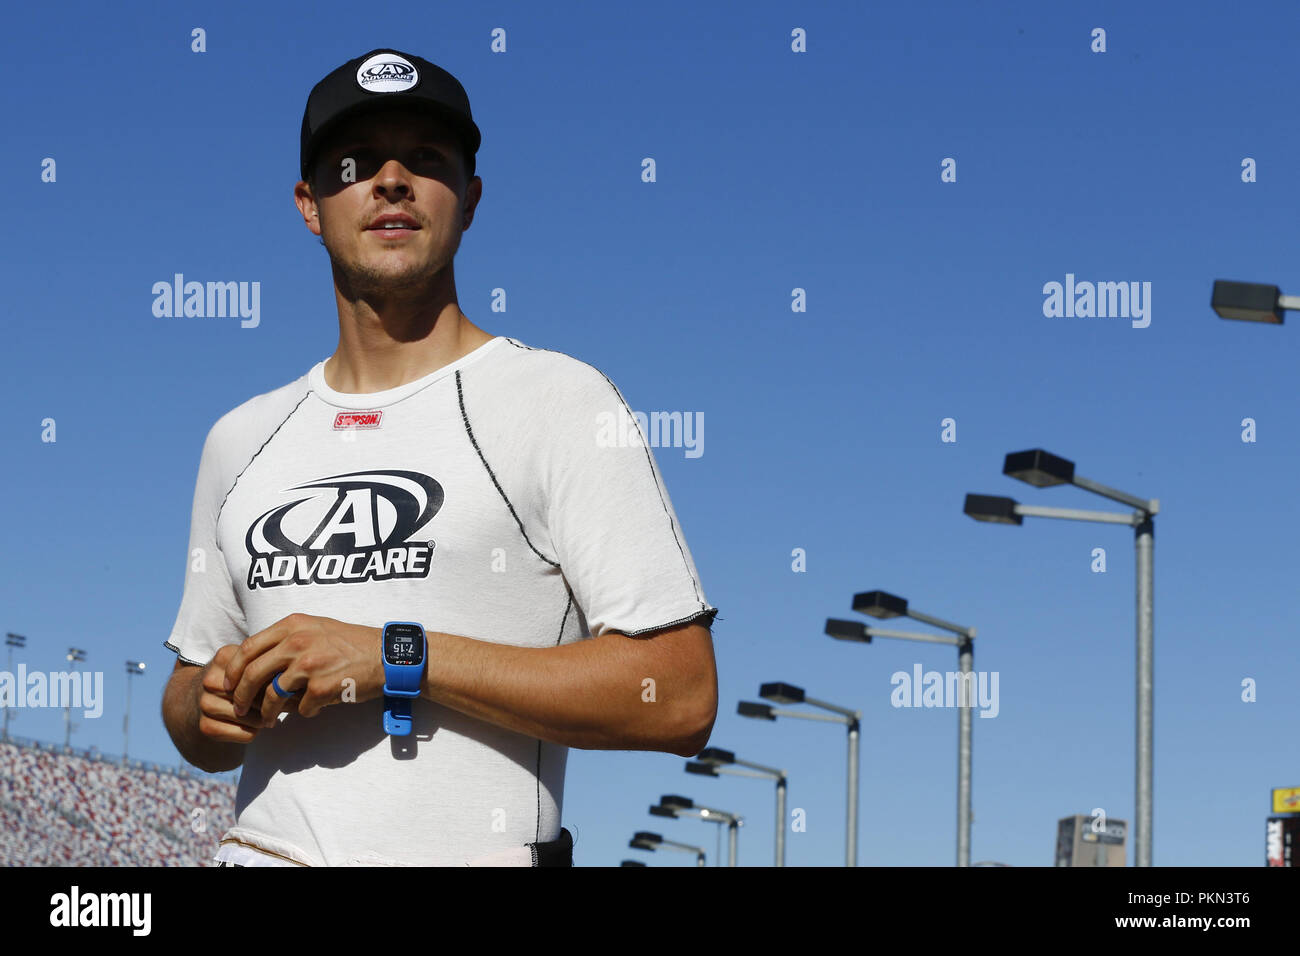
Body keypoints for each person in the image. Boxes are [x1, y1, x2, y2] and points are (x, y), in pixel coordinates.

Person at [159, 48, 719, 867]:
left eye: (426, 159)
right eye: (356, 164)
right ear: (309, 205)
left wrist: (396, 654)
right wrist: (206, 704)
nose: (391, 181)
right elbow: (192, 701)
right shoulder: (240, 439)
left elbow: (678, 695)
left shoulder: (557, 399)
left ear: (471, 200)